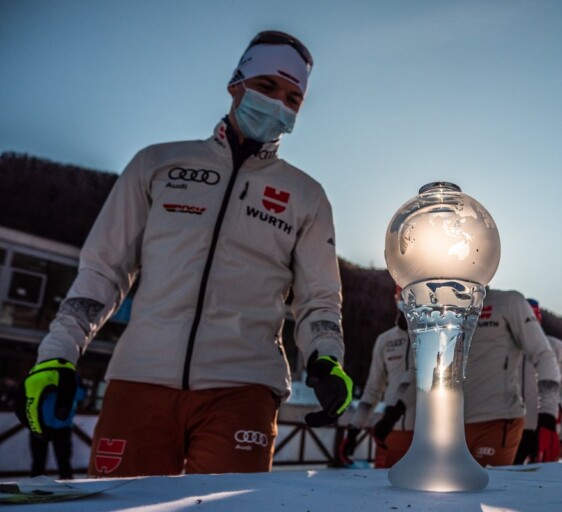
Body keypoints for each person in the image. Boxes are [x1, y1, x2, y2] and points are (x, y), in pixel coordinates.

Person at [16, 30, 352, 478]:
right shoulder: (158, 164)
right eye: (267, 86)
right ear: (236, 84)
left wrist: (326, 357)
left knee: (223, 510)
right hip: (140, 377)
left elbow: (319, 300)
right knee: (119, 505)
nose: (278, 104)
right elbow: (103, 271)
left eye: (293, 98)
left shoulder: (306, 195)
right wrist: (57, 353)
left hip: (244, 387)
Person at [463, 289, 561, 467]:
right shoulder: (441, 306)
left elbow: (544, 356)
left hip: (498, 421)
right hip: (449, 425)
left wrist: (548, 416)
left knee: (488, 484)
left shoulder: (507, 302)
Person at [339, 286, 415, 468]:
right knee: (382, 486)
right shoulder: (385, 340)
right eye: (402, 295)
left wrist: (392, 415)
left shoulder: (432, 336)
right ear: (396, 298)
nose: (406, 300)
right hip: (389, 433)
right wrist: (354, 428)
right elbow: (373, 388)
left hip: (424, 433)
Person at [513, 298, 562, 464]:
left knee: (540, 475)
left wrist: (558, 408)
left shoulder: (556, 347)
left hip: (543, 426)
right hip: (510, 427)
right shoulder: (506, 349)